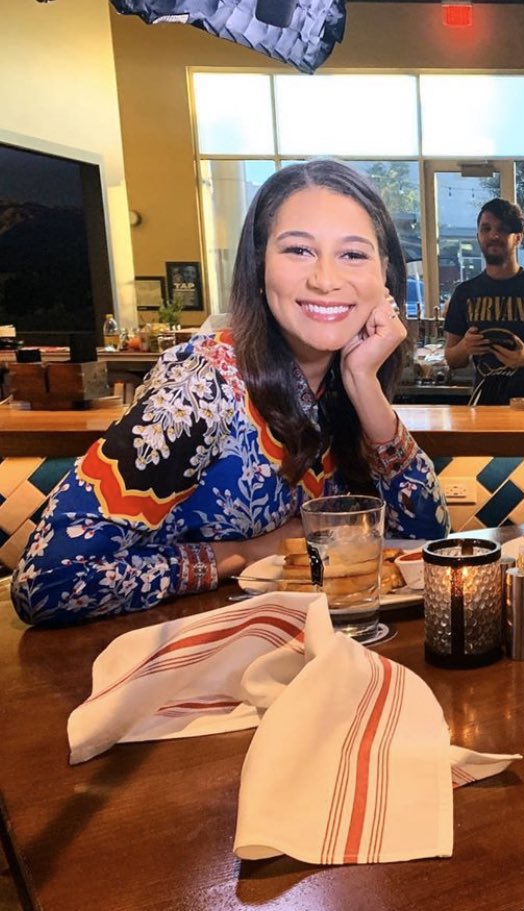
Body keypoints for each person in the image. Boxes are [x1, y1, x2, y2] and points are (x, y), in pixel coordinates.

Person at [12, 160, 449, 626]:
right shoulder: (199, 386)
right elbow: (47, 581)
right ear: (259, 267)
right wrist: (239, 554)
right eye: (299, 250)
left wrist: (363, 383)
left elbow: (426, 543)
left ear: (385, 275)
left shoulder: (342, 382)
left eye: (353, 255)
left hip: (295, 647)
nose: (325, 279)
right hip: (175, 653)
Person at [443, 198, 524, 405]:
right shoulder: (464, 293)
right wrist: (465, 347)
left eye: (502, 229)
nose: (493, 235)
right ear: (478, 236)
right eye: (486, 229)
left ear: (518, 238)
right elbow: (452, 359)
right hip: (483, 407)